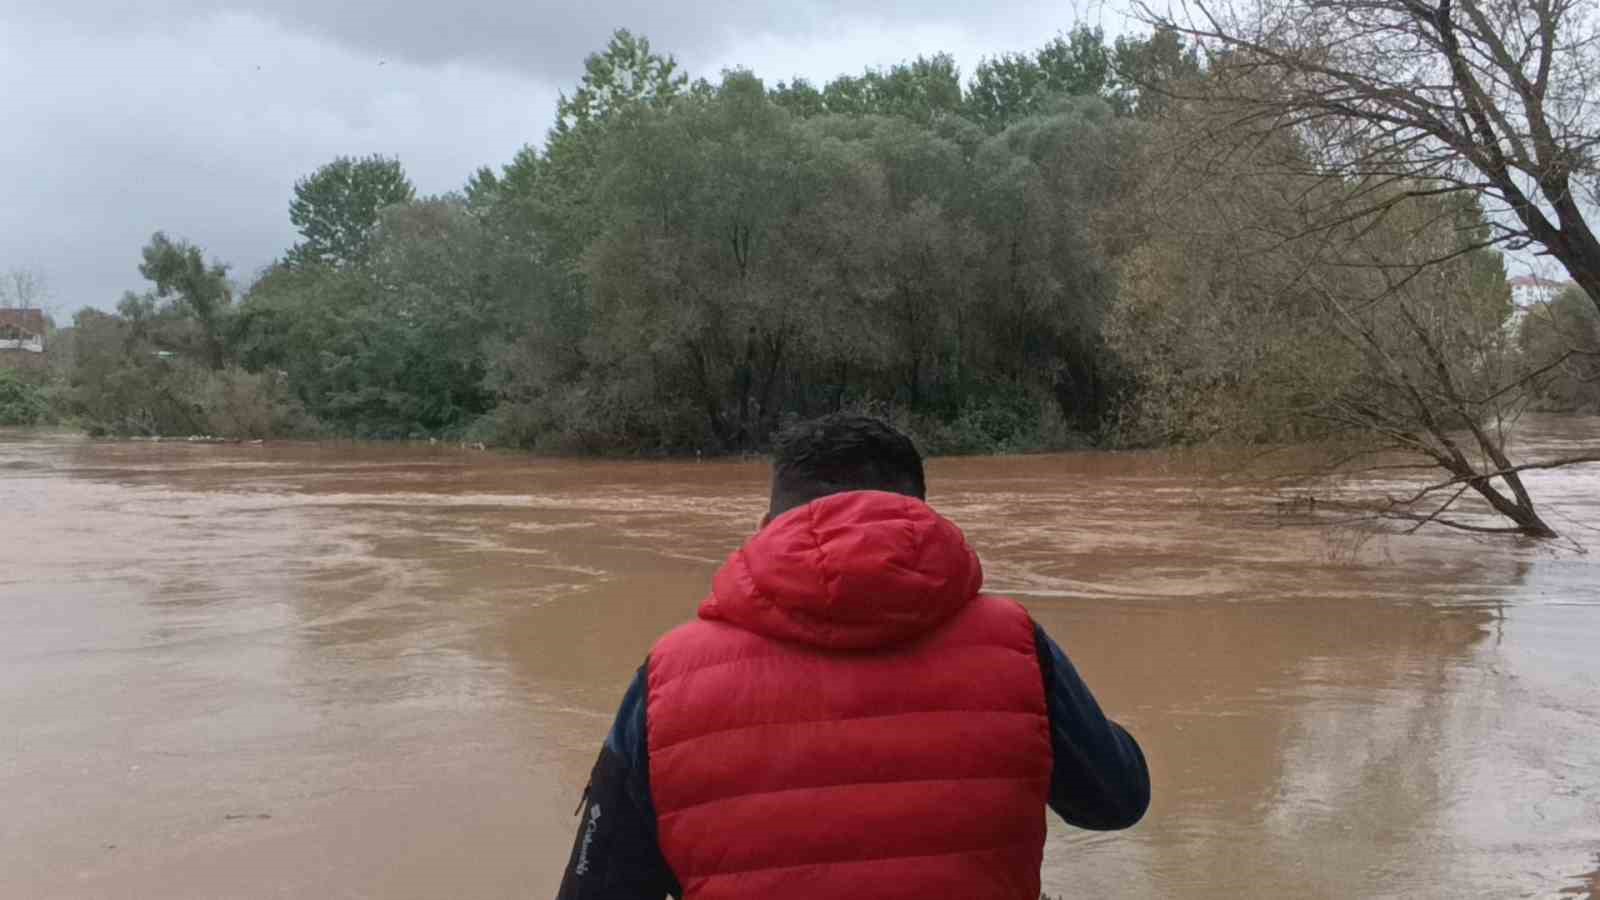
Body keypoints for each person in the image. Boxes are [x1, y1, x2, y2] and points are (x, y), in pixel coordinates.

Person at [555, 414, 1149, 900]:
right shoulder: (1016, 642)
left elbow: (597, 890)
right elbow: (1115, 801)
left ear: (766, 526)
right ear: (923, 516)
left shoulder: (668, 674)